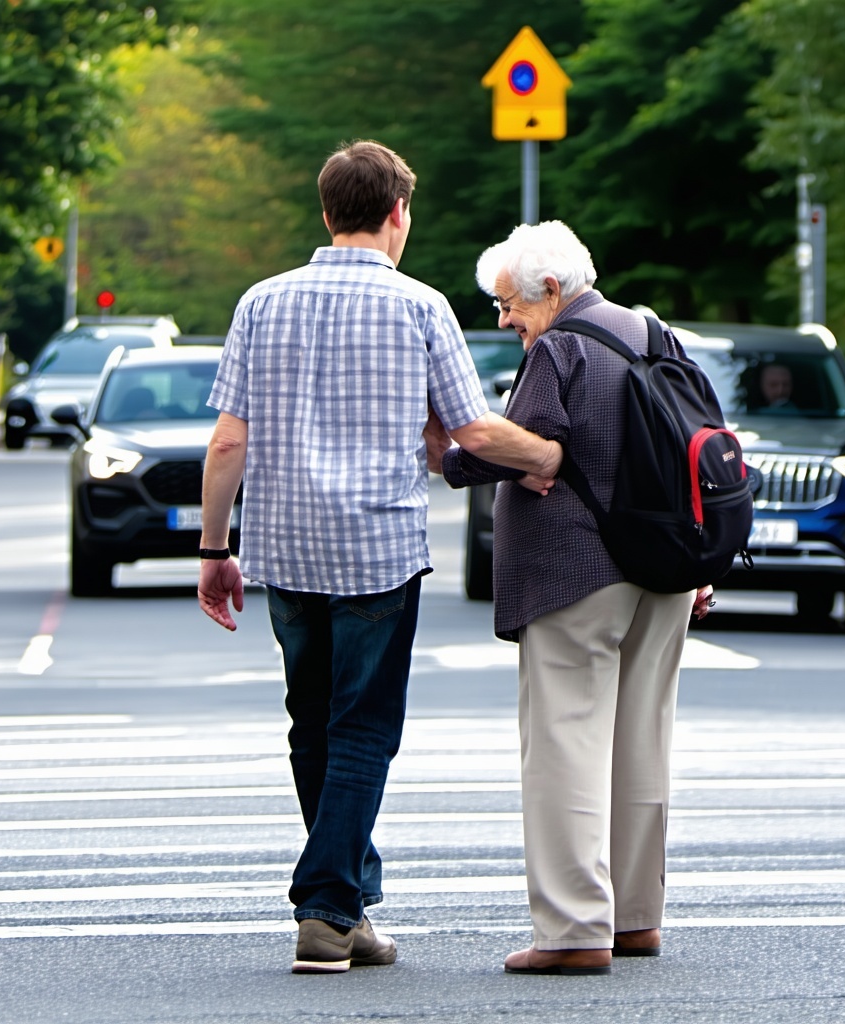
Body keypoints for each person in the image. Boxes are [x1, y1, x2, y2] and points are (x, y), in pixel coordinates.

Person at [197, 141, 562, 974]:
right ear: (398, 214)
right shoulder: (422, 307)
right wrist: (543, 459)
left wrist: (216, 548)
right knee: (362, 726)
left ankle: (350, 906)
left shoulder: (261, 302)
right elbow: (470, 431)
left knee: (311, 722)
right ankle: (327, 910)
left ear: (327, 214)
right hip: (377, 549)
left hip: (284, 551)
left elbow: (227, 441)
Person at [441, 221, 713, 975]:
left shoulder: (560, 346)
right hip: (666, 569)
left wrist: (447, 453)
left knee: (566, 744)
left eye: (509, 305)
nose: (504, 321)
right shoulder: (657, 334)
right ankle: (636, 919)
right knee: (642, 743)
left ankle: (572, 930)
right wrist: (702, 559)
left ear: (552, 290)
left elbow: (516, 443)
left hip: (575, 571)